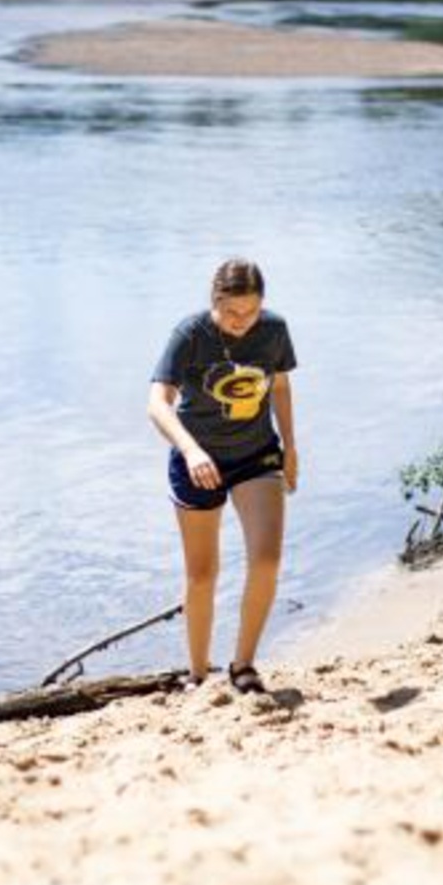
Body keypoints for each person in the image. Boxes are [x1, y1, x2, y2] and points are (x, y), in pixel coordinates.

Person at [147, 258, 298, 695]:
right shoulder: (190, 335)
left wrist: (291, 446)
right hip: (198, 460)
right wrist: (191, 450)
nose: (242, 322)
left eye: (251, 312)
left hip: (257, 454)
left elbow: (282, 388)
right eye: (232, 313)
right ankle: (197, 673)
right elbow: (157, 403)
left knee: (267, 561)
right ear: (215, 302)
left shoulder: (273, 330)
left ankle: (243, 665)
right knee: (202, 574)